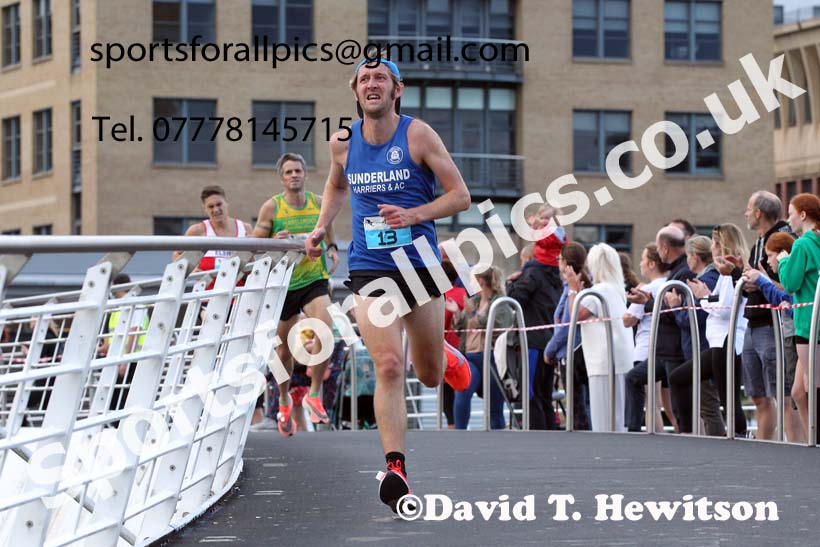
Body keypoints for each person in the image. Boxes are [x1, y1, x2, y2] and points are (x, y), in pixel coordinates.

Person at [303, 57, 472, 512]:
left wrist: (414, 215)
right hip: (369, 267)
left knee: (429, 375)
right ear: (356, 92)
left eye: (380, 78)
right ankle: (396, 467)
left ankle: (443, 353)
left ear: (398, 90)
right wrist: (321, 226)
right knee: (390, 366)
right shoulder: (343, 142)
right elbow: (337, 187)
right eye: (364, 79)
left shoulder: (418, 135)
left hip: (418, 265)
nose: (371, 84)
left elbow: (460, 196)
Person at [254, 153, 340, 437]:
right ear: (281, 178)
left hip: (314, 278)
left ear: (305, 174)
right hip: (284, 284)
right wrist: (272, 241)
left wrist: (332, 247)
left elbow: (327, 226)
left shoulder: (318, 202)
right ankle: (283, 398)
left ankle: (314, 394)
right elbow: (253, 246)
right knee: (283, 352)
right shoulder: (272, 208)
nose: (294, 175)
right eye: (289, 172)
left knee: (325, 328)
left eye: (298, 171)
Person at [669, 224, 750, 436]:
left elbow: (724, 310)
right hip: (717, 342)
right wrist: (706, 296)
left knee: (728, 399)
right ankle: (687, 432)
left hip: (726, 342)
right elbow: (719, 301)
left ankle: (740, 435)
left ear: (724, 245)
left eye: (715, 242)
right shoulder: (724, 273)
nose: (711, 247)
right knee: (679, 378)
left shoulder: (731, 273)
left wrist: (703, 297)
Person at [734, 191, 794, 440]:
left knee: (784, 392)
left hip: (773, 325)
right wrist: (739, 274)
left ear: (759, 213)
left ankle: (795, 446)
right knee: (757, 394)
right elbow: (754, 281)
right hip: (753, 321)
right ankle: (764, 445)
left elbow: (789, 287)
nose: (745, 213)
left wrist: (761, 280)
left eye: (749, 209)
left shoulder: (783, 240)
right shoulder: (757, 243)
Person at [625, 226, 695, 426]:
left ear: (665, 248)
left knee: (680, 406)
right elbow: (667, 307)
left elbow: (673, 312)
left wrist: (646, 302)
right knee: (633, 379)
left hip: (675, 350)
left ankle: (688, 436)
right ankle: (633, 431)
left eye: (658, 247)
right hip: (664, 350)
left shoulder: (682, 273)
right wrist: (646, 301)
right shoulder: (675, 272)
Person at [742, 232, 804, 442]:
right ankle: (805, 443)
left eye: (770, 256)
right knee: (797, 393)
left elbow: (790, 294)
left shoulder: (791, 268)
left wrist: (763, 280)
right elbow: (784, 297)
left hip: (797, 335)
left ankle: (805, 443)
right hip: (794, 334)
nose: (767, 261)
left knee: (797, 394)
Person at [565, 243, 634, 431]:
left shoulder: (598, 291)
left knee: (603, 417)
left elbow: (575, 315)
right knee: (618, 415)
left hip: (603, 360)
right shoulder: (615, 289)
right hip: (621, 356)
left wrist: (573, 290)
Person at [506, 242, 563, 430]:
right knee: (545, 395)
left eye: (523, 261)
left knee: (531, 394)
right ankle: (550, 434)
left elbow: (515, 300)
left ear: (530, 259)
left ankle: (537, 435)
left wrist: (511, 283)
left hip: (532, 341)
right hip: (550, 342)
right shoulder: (555, 277)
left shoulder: (532, 273)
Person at [777, 193, 820, 438]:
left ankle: (816, 440)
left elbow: (790, 283)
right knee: (798, 391)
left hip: (808, 324)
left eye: (791, 213)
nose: (788, 219)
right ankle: (810, 439)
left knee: (813, 386)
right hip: (812, 320)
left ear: (803, 215)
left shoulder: (802, 244)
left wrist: (784, 261)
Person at [451, 267, 513, 430]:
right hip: (470, 355)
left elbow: (498, 327)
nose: (469, 284)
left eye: (472, 281)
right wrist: (457, 314)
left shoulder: (500, 302)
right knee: (462, 391)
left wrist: (473, 314)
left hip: (491, 358)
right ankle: (459, 434)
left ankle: (497, 439)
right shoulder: (475, 302)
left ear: (481, 282)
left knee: (495, 408)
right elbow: (461, 330)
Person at [622, 243, 673, 432]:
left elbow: (628, 320)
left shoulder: (648, 288)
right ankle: (681, 432)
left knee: (651, 403)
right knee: (665, 403)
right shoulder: (670, 284)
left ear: (652, 264)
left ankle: (654, 438)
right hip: (667, 349)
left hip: (646, 349)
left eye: (643, 259)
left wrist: (632, 301)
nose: (640, 264)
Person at [543, 242, 592, 430]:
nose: (557, 261)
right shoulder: (573, 285)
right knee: (582, 405)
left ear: (567, 263)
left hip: (572, 353)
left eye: (560, 258)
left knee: (578, 407)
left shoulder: (574, 288)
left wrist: (549, 350)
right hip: (575, 351)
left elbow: (566, 326)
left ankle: (583, 440)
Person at [442, 258, 468, 429]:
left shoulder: (441, 296)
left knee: (448, 399)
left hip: (448, 351)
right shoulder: (463, 293)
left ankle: (453, 429)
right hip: (463, 349)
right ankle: (457, 427)